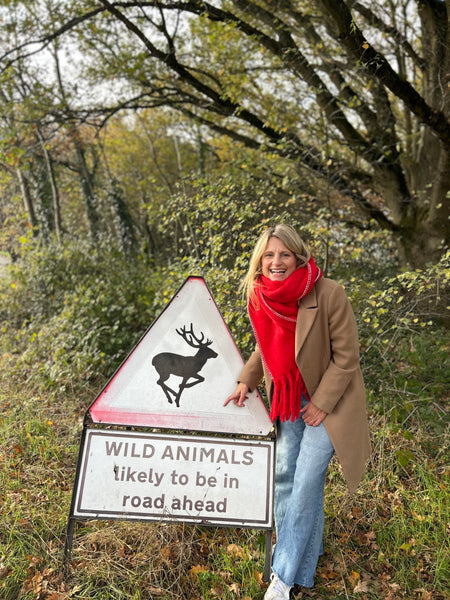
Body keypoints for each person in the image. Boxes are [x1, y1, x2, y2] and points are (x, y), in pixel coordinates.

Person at [224, 224, 371, 600]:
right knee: (286, 474)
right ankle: (304, 563)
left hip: (330, 402)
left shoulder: (329, 293)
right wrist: (247, 379)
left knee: (306, 479)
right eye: (269, 255)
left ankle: (283, 576)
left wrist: (321, 403)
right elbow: (267, 348)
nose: (276, 262)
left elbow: (347, 357)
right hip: (287, 397)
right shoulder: (261, 296)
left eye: (284, 255)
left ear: (298, 256)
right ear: (261, 260)